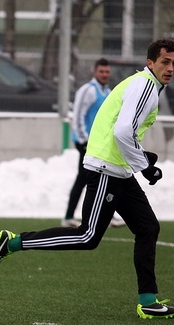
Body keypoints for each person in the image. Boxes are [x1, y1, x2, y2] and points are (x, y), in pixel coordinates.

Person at [0, 39, 174, 319]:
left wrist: (140, 157)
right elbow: (121, 132)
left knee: (148, 228)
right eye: (165, 62)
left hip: (118, 169)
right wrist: (145, 166)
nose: (170, 68)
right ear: (151, 63)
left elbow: (124, 132)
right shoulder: (146, 86)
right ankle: (12, 242)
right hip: (107, 169)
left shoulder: (146, 85)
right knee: (88, 236)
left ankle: (148, 300)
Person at [62, 58, 125, 228]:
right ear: (94, 72)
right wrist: (84, 140)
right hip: (87, 143)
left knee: (105, 179)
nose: (104, 75)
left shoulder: (108, 92)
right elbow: (78, 115)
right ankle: (68, 216)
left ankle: (107, 216)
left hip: (100, 145)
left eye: (107, 72)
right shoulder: (88, 90)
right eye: (101, 71)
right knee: (83, 179)